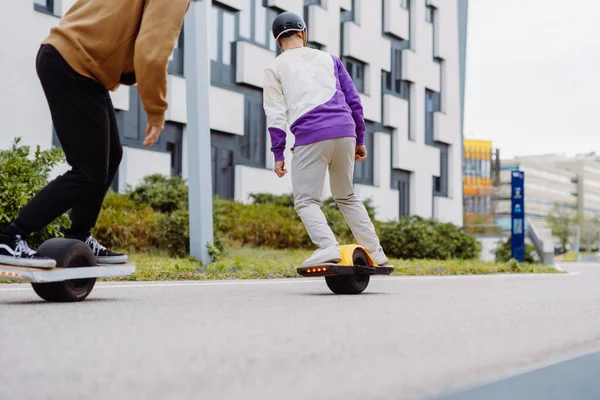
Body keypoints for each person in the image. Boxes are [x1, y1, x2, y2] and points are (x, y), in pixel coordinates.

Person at [0, 0, 190, 268]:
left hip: (73, 60)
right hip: (75, 65)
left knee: (112, 156)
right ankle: (9, 237)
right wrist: (156, 112)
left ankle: (79, 235)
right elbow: (152, 53)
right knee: (88, 171)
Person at [263, 12, 389, 267]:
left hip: (311, 135)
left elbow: (275, 114)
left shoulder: (275, 67)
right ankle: (376, 253)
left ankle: (327, 246)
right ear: (303, 34)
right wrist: (360, 139)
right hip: (345, 132)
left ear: (278, 41)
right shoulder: (329, 59)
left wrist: (278, 154)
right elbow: (354, 101)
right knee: (347, 195)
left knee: (306, 200)